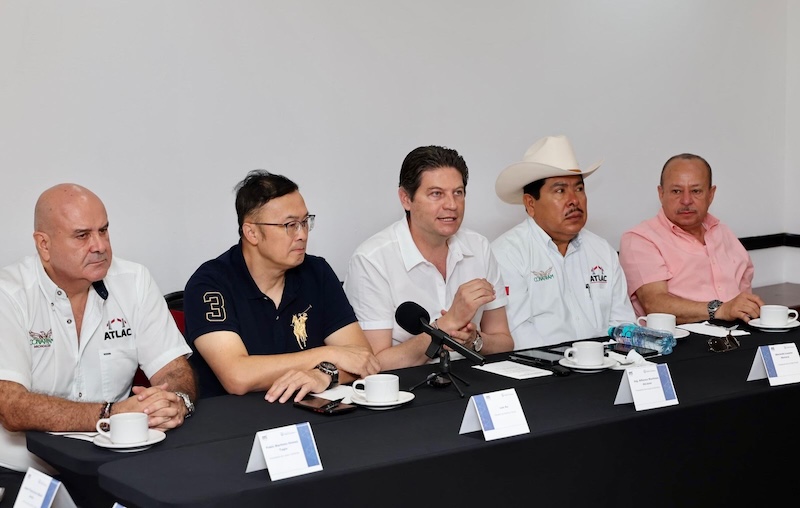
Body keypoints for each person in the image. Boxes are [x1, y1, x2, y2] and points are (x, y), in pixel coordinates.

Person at [0, 184, 195, 499]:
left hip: (112, 467)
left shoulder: (134, 281)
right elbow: (11, 406)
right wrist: (111, 413)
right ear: (44, 244)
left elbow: (174, 369)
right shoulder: (8, 294)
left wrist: (175, 402)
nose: (100, 246)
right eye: (82, 236)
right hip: (21, 470)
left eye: (103, 231)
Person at [184, 171, 380, 403]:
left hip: (308, 411)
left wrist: (325, 374)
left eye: (305, 222)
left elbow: (363, 359)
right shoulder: (210, 284)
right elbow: (237, 376)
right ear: (252, 233)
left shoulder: (316, 272)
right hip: (235, 417)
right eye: (290, 225)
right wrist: (330, 354)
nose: (302, 234)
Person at [344, 145, 514, 370]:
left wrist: (475, 341)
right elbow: (374, 364)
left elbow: (505, 343)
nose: (451, 205)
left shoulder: (479, 247)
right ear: (406, 199)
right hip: (408, 384)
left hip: (473, 377)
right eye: (436, 194)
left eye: (458, 192)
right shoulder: (372, 260)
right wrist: (444, 326)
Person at [491, 135, 636, 349]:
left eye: (579, 189)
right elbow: (519, 335)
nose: (574, 200)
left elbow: (623, 323)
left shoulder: (601, 250)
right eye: (560, 191)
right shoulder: (507, 253)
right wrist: (575, 361)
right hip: (541, 366)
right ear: (530, 204)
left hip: (606, 362)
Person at [619, 153, 763, 324]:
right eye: (676, 191)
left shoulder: (723, 233)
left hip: (738, 333)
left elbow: (744, 298)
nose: (686, 200)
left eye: (696, 191)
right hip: (679, 338)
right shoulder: (640, 239)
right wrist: (721, 310)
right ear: (661, 193)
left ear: (711, 194)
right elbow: (655, 305)